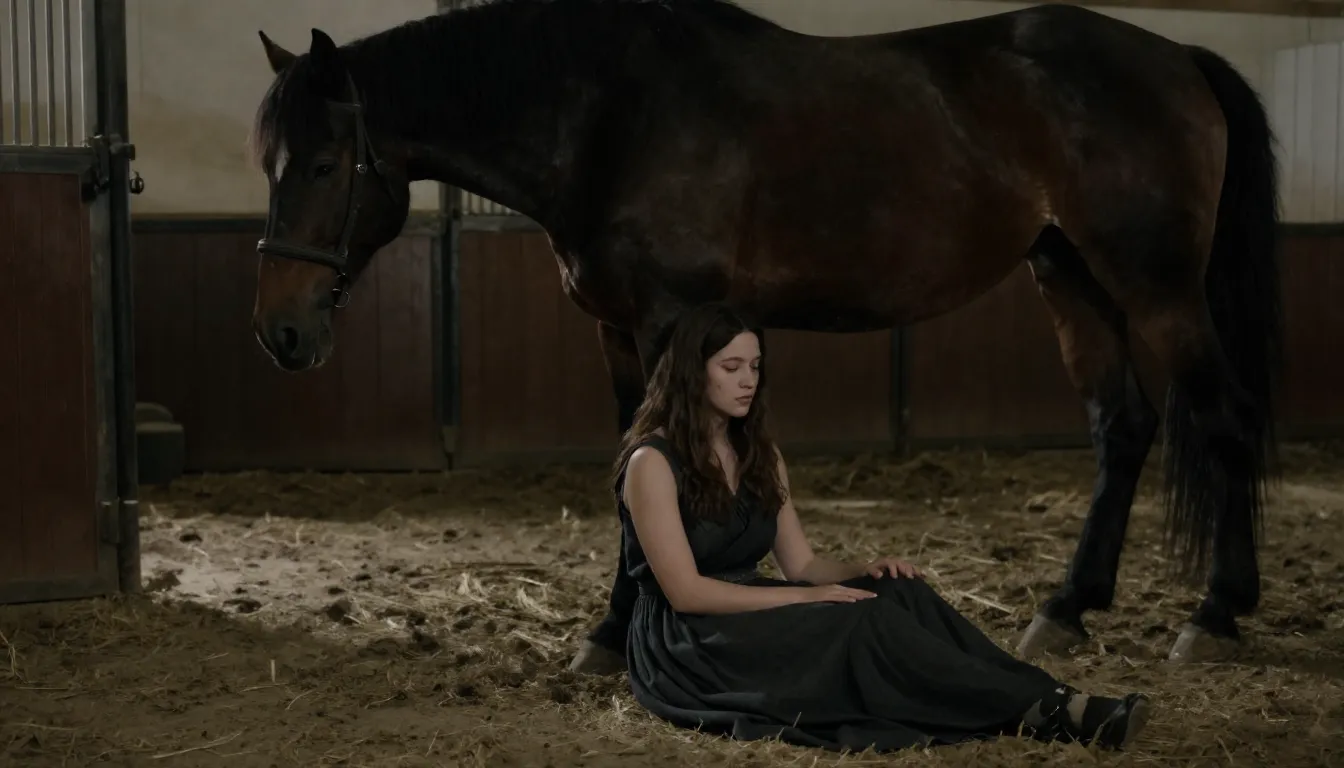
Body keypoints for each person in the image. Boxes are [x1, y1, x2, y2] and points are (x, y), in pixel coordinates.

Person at [611, 302, 1152, 753]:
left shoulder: (760, 453)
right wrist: (808, 600)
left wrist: (862, 570)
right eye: (731, 367)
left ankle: (1045, 696)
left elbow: (802, 564)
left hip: (751, 607)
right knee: (858, 620)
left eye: (754, 365)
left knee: (898, 589)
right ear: (692, 371)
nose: (748, 380)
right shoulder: (652, 462)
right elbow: (686, 593)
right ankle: (1049, 711)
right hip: (689, 640)